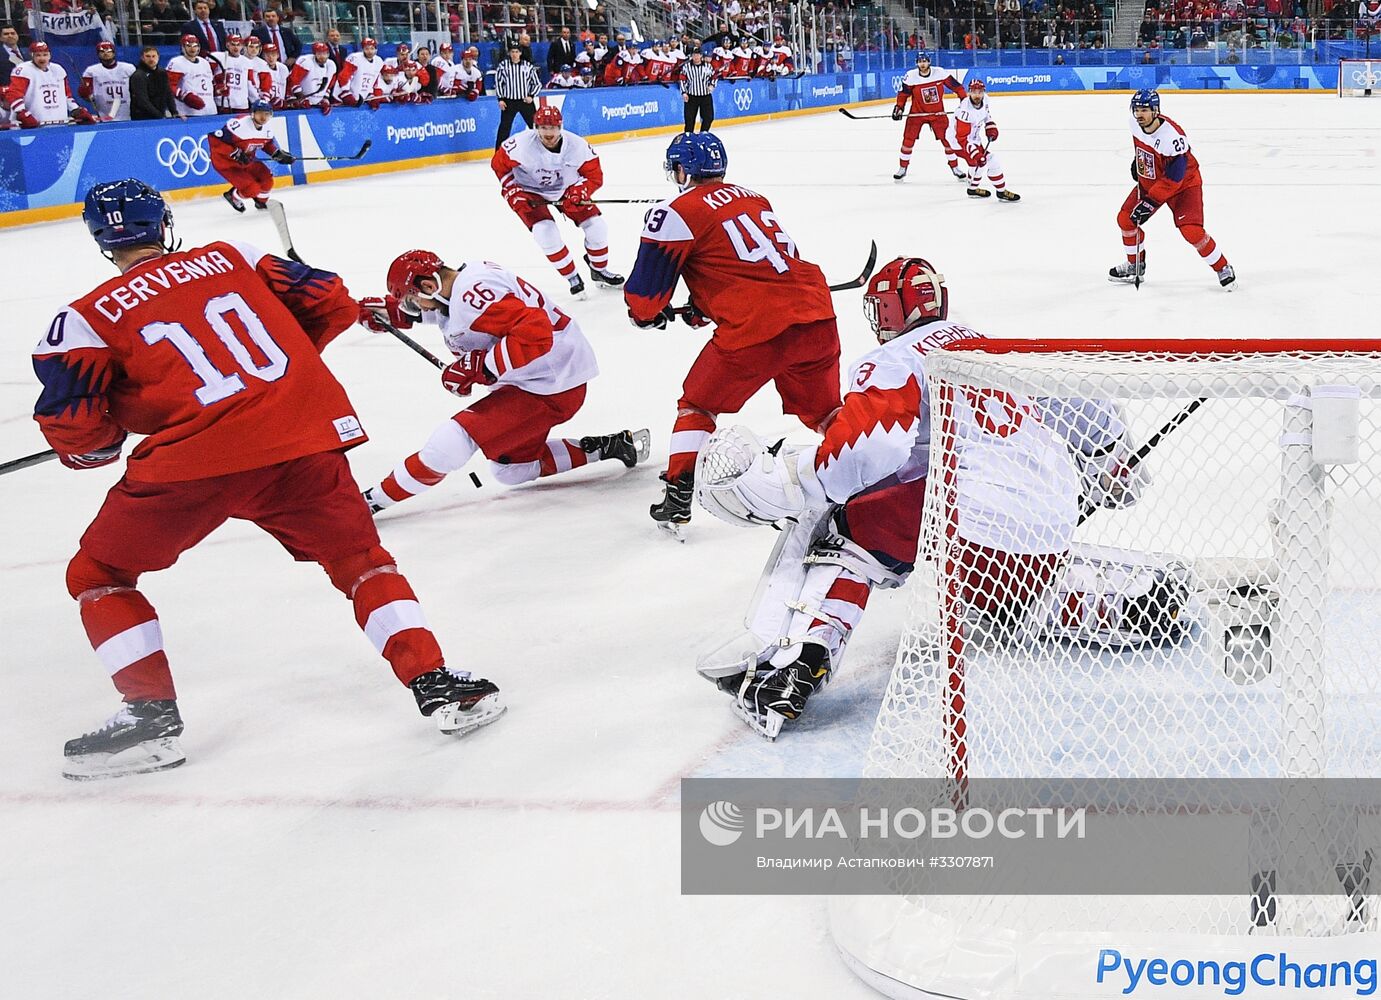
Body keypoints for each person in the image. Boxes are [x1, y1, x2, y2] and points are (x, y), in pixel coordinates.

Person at [38, 180, 504, 780]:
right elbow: (333, 299)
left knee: (97, 575)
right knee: (361, 562)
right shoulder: (234, 257)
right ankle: (436, 683)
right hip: (302, 438)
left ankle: (150, 721)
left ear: (100, 240)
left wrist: (103, 441)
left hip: (194, 463)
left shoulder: (81, 320)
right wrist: (281, 369)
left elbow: (73, 428)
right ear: (163, 223)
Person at [693, 257, 1152, 737]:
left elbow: (868, 450)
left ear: (891, 310)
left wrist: (796, 482)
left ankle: (798, 663)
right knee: (1007, 597)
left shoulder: (895, 360)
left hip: (971, 509)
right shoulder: (990, 345)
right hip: (1047, 513)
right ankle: (1130, 601)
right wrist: (1111, 461)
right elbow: (1078, 399)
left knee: (846, 529)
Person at [623, 133, 841, 532]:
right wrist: (703, 306)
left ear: (681, 170)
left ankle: (677, 494)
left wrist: (643, 315)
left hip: (754, 330)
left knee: (697, 406)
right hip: (816, 315)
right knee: (828, 415)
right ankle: (862, 477)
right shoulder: (754, 198)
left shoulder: (675, 210)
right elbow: (751, 264)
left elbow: (646, 296)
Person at [355, 250, 649, 512]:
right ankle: (609, 446)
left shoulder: (472, 295)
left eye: (411, 300)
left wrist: (482, 365)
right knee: (511, 470)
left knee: (453, 441)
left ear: (428, 285)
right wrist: (390, 313)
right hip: (545, 375)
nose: (415, 308)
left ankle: (372, 501)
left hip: (549, 384)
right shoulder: (464, 282)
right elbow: (451, 313)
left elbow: (535, 331)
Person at [492, 104, 624, 296]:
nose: (548, 132)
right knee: (545, 233)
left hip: (567, 189)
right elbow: (499, 166)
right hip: (530, 192)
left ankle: (599, 270)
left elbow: (595, 176)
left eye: (552, 127)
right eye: (543, 127)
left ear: (560, 126)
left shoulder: (577, 146)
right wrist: (511, 190)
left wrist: (580, 191)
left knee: (597, 227)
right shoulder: (519, 146)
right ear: (535, 127)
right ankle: (572, 277)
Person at [1111, 89, 1235, 289]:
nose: (1139, 115)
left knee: (1191, 231)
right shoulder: (1134, 124)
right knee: (1126, 219)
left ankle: (1223, 267)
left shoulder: (1172, 137)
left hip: (1184, 185)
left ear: (1156, 110)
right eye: (1136, 110)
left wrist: (1150, 203)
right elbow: (1143, 147)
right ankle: (1135, 265)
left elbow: (1175, 177)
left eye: (1144, 110)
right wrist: (1140, 163)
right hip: (1153, 182)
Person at [209, 98, 295, 211]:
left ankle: (260, 201)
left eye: (267, 114)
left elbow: (266, 144)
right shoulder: (239, 125)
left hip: (247, 161)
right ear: (252, 114)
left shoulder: (267, 129)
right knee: (251, 189)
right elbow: (214, 138)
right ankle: (232, 196)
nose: (263, 118)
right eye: (260, 114)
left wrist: (277, 153)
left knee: (267, 181)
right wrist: (235, 153)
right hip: (227, 164)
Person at [891, 51, 966, 181]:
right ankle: (902, 168)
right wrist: (899, 108)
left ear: (929, 61)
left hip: (937, 114)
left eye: (925, 61)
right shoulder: (911, 76)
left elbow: (958, 88)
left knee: (948, 140)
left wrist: (965, 102)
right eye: (920, 61)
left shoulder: (940, 73)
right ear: (917, 63)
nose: (923, 64)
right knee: (908, 140)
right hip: (917, 113)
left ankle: (955, 167)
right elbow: (903, 95)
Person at [947, 79, 1019, 201]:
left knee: (985, 162)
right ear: (969, 92)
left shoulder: (985, 99)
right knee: (982, 161)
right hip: (958, 143)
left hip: (973, 138)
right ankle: (978, 189)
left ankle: (977, 189)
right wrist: (976, 154)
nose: (977, 95)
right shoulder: (965, 111)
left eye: (980, 92)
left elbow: (986, 115)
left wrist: (990, 127)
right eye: (974, 92)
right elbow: (962, 139)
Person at [6, 42, 98, 128]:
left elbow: (66, 96)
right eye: (38, 55)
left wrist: (77, 110)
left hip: (60, 123)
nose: (42, 58)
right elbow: (14, 94)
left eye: (45, 55)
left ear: (50, 55)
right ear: (32, 55)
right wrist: (22, 113)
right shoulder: (23, 70)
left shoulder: (58, 69)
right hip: (34, 126)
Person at [492, 42, 542, 147]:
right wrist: (500, 99)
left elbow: (537, 84)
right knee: (504, 128)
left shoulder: (527, 66)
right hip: (509, 102)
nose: (514, 54)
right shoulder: (503, 66)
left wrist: (532, 96)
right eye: (512, 52)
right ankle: (499, 154)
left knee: (536, 126)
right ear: (509, 53)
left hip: (525, 101)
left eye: (516, 52)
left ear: (520, 53)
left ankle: (543, 148)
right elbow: (499, 83)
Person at [79, 41, 134, 121]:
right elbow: (85, 93)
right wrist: (87, 93)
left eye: (109, 51)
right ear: (98, 54)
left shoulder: (128, 68)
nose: (105, 53)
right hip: (104, 115)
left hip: (127, 113)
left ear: (114, 53)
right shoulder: (91, 71)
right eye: (102, 51)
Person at [166, 34, 217, 117]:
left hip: (210, 110)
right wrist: (185, 96)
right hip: (188, 111)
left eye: (195, 46)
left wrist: (218, 90)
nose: (192, 49)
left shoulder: (205, 62)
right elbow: (168, 85)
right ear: (183, 47)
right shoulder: (177, 62)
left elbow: (210, 84)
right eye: (188, 46)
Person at [130, 45, 181, 120]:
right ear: (142, 58)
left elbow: (168, 93)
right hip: (143, 118)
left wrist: (174, 112)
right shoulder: (138, 76)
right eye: (148, 56)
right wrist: (159, 116)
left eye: (153, 56)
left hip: (160, 115)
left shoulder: (162, 73)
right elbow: (142, 101)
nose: (151, 59)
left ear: (158, 57)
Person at [211, 32, 255, 112]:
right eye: (233, 44)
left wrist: (256, 101)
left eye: (238, 45)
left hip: (241, 104)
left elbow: (250, 84)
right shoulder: (218, 57)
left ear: (242, 46)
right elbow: (209, 77)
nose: (236, 47)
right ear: (227, 45)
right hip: (223, 103)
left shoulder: (247, 62)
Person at [288, 40, 336, 113]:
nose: (322, 56)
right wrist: (302, 98)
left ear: (328, 54)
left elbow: (330, 84)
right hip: (300, 100)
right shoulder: (306, 62)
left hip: (317, 101)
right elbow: (293, 81)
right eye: (319, 54)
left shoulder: (331, 65)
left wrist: (325, 99)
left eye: (325, 53)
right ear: (314, 54)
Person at [335, 35, 383, 106]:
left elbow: (374, 80)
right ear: (363, 49)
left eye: (372, 48)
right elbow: (344, 76)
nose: (370, 51)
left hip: (362, 98)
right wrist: (345, 93)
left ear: (376, 49)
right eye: (367, 49)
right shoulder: (355, 58)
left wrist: (371, 95)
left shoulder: (379, 61)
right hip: (344, 96)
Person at [679, 47, 715, 132]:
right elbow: (682, 79)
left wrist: (712, 85)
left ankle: (703, 134)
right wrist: (684, 92)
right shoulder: (686, 67)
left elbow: (714, 77)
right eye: (694, 55)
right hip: (691, 96)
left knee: (708, 117)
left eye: (698, 55)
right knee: (689, 120)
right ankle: (689, 138)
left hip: (705, 96)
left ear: (701, 56)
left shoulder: (708, 66)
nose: (696, 57)